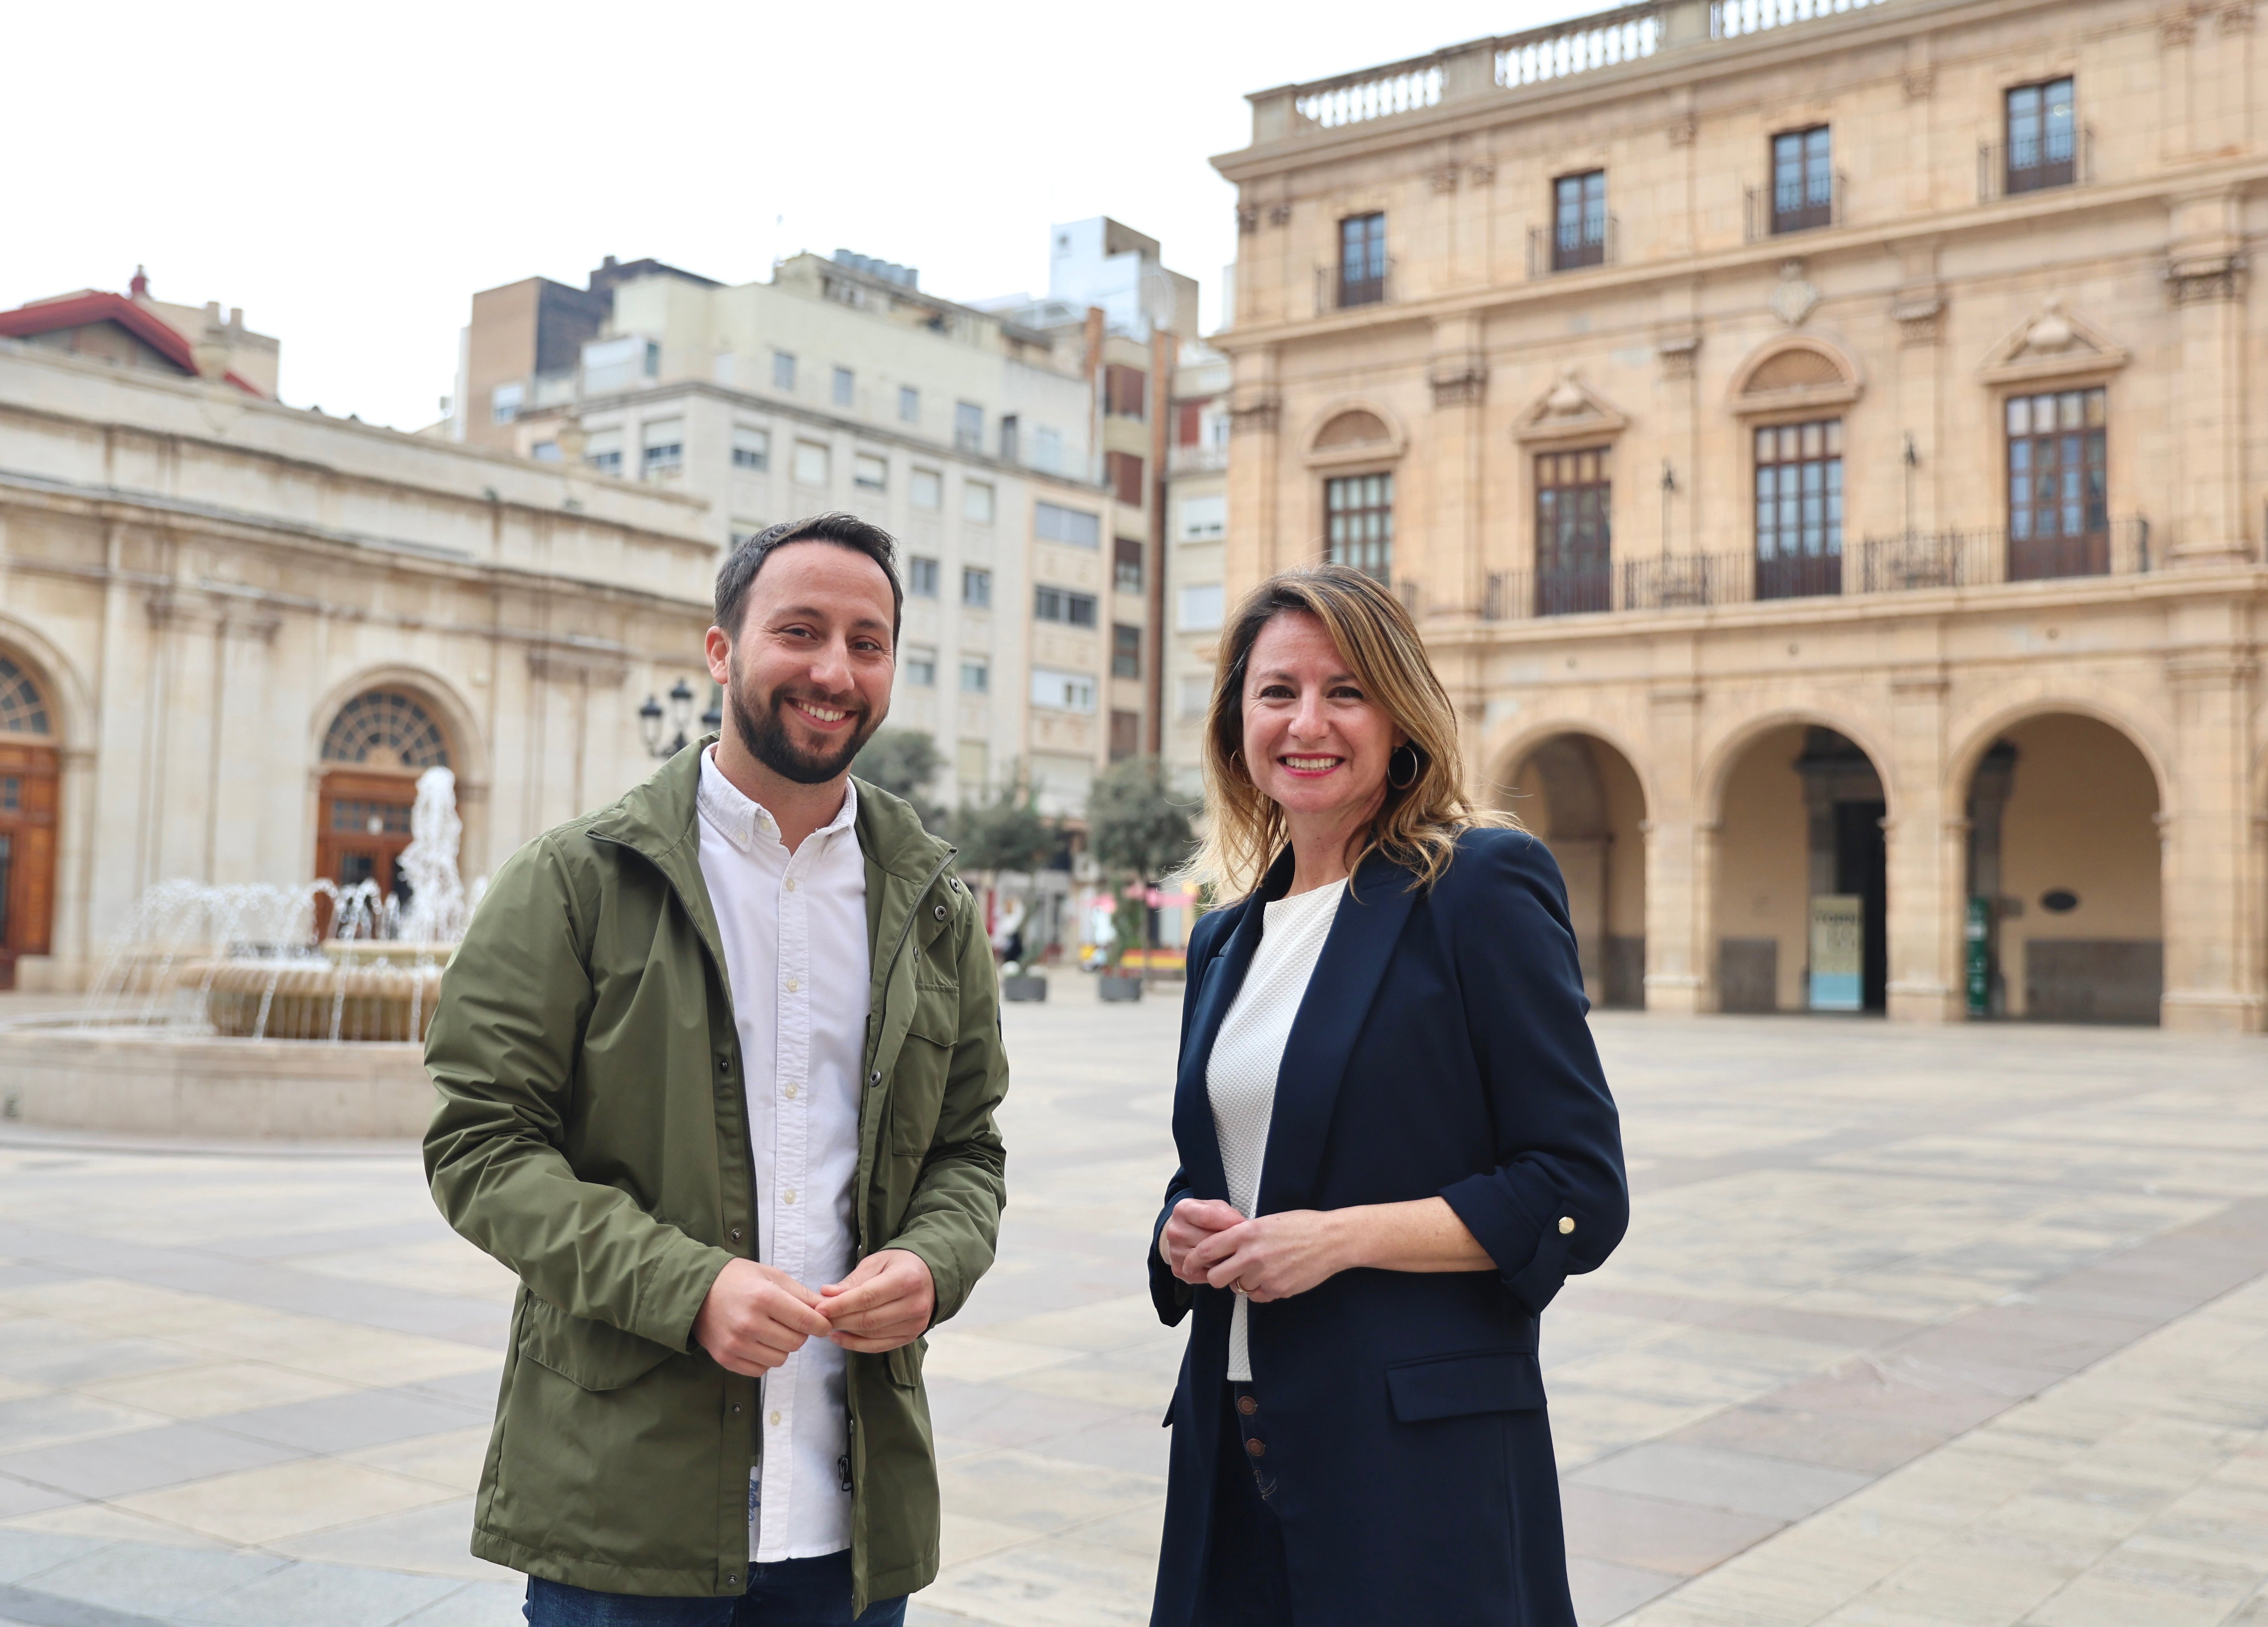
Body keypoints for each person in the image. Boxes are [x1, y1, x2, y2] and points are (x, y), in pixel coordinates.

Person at [425, 512, 1009, 1626]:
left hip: (851, 1518)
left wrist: (935, 1261)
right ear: (721, 649)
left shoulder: (933, 904)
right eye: (799, 631)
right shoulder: (575, 879)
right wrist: (687, 1287)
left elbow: (967, 1147)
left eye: (868, 641)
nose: (834, 670)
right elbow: (480, 1145)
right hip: (625, 1512)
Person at [1146, 564, 1628, 1626]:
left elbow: (1577, 1191)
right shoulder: (1227, 934)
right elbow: (1227, 1159)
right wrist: (1181, 1234)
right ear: (1237, 721)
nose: (1307, 722)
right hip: (1232, 1446)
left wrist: (1338, 1238)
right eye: (1276, 692)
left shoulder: (1478, 887)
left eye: (1346, 691)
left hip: (1415, 1465)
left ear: (1400, 715)